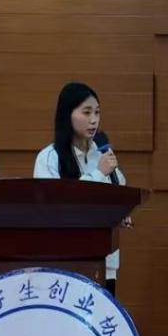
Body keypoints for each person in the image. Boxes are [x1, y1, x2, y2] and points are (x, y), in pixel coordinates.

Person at [33, 82, 127, 295]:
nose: (94, 120)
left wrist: (122, 212)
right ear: (68, 115)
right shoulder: (50, 157)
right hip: (65, 261)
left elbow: (119, 191)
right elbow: (54, 209)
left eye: (97, 112)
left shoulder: (102, 154)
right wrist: (98, 173)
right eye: (86, 112)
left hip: (105, 262)